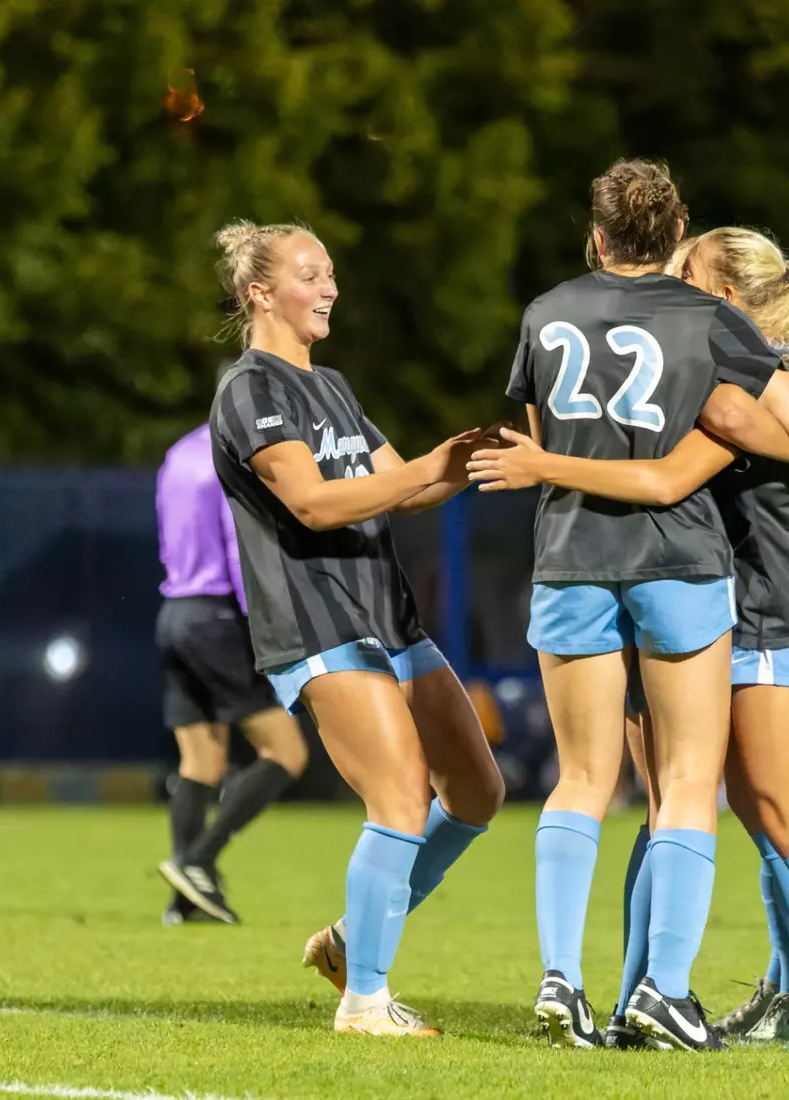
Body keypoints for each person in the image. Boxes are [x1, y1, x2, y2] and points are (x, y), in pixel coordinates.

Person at [478, 227, 789, 1050]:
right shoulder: (714, 359)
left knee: (785, 810)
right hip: (713, 602)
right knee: (686, 801)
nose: (669, 283)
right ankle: (657, 993)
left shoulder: (728, 381)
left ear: (727, 298)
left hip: (779, 608)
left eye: (688, 273)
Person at [208, 219, 505, 1037]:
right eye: (312, 273)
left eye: (332, 271)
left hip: (386, 618)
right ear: (259, 292)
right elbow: (312, 501)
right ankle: (365, 1002)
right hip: (317, 622)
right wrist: (418, 470)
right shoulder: (250, 389)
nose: (331, 285)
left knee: (477, 790)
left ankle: (349, 940)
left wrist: (468, 460)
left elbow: (398, 489)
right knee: (400, 796)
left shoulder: (331, 386)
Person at [155, 420, 307, 925]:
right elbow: (240, 548)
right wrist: (264, 621)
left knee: (200, 760)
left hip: (174, 612)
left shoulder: (179, 452)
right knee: (286, 751)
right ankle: (198, 860)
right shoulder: (235, 457)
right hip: (219, 617)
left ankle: (186, 901)